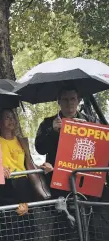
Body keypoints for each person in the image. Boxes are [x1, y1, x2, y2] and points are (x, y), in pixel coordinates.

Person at [35, 86, 98, 240]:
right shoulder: (48, 123)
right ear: (58, 101)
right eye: (65, 99)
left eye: (72, 99)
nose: (69, 103)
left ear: (79, 100)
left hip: (85, 181)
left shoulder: (90, 120)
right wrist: (52, 131)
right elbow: (39, 149)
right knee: (62, 223)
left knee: (88, 222)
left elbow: (101, 149)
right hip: (59, 182)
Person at [0, 109, 37, 241]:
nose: (11, 120)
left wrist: (41, 167)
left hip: (23, 185)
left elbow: (28, 162)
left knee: (25, 221)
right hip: (5, 186)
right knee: (7, 224)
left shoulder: (21, 141)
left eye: (13, 117)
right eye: (7, 117)